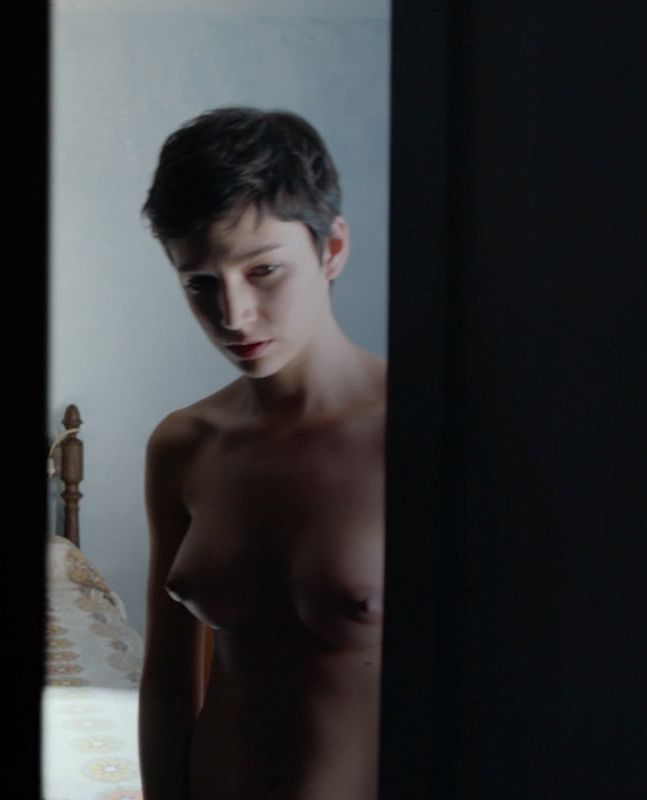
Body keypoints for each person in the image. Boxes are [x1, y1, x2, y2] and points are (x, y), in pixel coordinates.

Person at [135, 107, 386, 800]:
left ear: (332, 249)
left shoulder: (421, 433)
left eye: (264, 270)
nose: (233, 315)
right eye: (200, 283)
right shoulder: (184, 445)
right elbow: (167, 682)